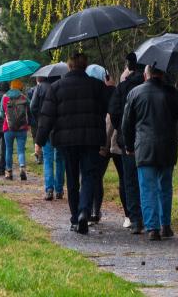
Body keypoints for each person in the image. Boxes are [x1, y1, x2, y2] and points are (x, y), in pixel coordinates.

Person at [35, 52, 111, 234]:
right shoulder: (97, 86)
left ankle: (75, 217)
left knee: (72, 177)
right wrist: (109, 88)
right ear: (85, 66)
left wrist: (39, 140)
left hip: (66, 140)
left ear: (69, 66)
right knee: (89, 175)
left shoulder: (57, 87)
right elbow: (109, 107)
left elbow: (47, 117)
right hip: (91, 139)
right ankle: (85, 210)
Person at [122, 65, 178, 241]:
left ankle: (152, 227)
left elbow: (127, 124)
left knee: (147, 188)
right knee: (165, 187)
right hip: (167, 147)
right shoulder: (171, 93)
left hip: (144, 147)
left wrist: (129, 146)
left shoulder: (135, 93)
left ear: (146, 75)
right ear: (162, 74)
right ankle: (165, 225)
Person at [109, 53, 144, 232]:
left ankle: (136, 218)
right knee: (148, 179)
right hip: (147, 140)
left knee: (129, 179)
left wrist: (121, 129)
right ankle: (152, 216)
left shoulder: (123, 88)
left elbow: (114, 112)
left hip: (127, 139)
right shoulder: (150, 85)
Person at [85, 64, 114, 224]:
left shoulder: (86, 94)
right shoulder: (108, 93)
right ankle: (96, 210)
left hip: (92, 141)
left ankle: (90, 209)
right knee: (97, 177)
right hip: (104, 141)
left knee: (90, 176)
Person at [31, 75, 65, 201]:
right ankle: (60, 190)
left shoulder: (40, 88)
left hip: (45, 127)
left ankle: (49, 189)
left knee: (48, 158)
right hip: (60, 128)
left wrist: (40, 119)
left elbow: (33, 106)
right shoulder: (61, 86)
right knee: (60, 159)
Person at [2, 78, 31, 180]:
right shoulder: (24, 97)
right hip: (22, 128)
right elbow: (30, 110)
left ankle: (9, 172)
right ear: (20, 86)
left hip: (8, 128)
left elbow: (1, 114)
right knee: (21, 150)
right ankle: (22, 167)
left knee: (8, 150)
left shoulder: (5, 97)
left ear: (11, 86)